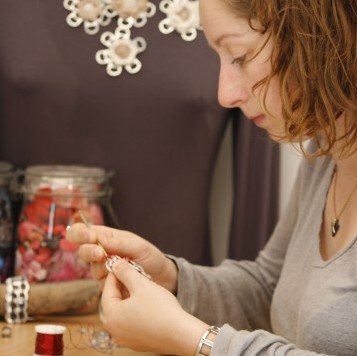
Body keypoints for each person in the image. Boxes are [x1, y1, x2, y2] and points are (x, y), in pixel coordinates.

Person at [67, 0, 357, 354]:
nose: (225, 94)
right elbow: (270, 290)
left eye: (239, 56)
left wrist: (196, 341)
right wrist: (172, 280)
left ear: (318, 36)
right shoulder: (327, 150)